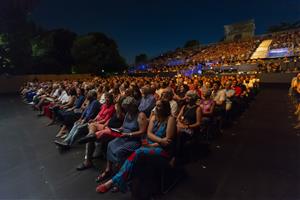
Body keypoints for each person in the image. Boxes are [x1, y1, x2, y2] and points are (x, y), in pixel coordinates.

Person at [96, 100, 176, 193]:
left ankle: (113, 181)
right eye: (156, 106)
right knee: (135, 156)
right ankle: (122, 181)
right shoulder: (154, 117)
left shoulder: (171, 119)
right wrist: (160, 140)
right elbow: (149, 134)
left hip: (162, 150)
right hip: (149, 145)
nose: (156, 108)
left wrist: (154, 144)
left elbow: (168, 141)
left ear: (166, 108)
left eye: (159, 106)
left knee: (137, 152)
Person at [95, 96, 148, 184]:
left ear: (133, 106)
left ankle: (121, 175)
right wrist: (119, 129)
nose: (127, 110)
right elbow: (123, 126)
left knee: (120, 151)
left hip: (134, 140)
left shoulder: (141, 115)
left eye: (128, 108)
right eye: (126, 108)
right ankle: (108, 169)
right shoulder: (128, 113)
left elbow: (142, 131)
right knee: (110, 144)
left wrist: (129, 134)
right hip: (124, 137)